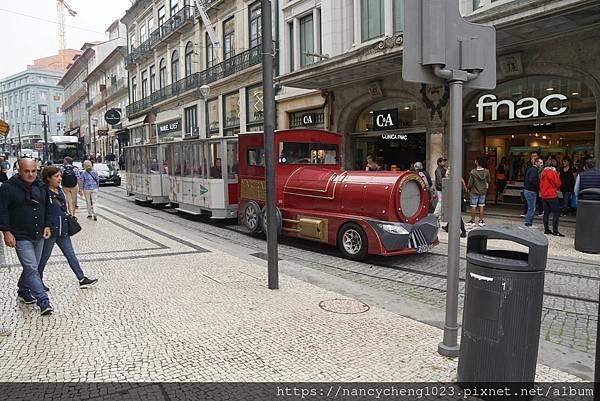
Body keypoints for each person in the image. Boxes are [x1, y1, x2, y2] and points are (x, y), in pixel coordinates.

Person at [0, 158, 54, 315]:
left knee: (33, 266)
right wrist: (6, 232)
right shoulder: (8, 188)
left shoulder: (41, 186)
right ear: (19, 170)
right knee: (31, 268)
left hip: (38, 233)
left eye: (34, 171)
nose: (31, 174)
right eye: (26, 171)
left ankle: (23, 290)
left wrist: (47, 225)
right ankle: (43, 301)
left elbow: (47, 208)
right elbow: (2, 211)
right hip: (21, 235)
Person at [38, 166, 98, 290]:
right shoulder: (43, 192)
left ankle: (82, 279)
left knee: (71, 255)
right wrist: (46, 226)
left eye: (60, 176)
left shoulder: (59, 191)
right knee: (44, 258)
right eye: (57, 176)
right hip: (51, 231)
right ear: (48, 178)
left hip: (63, 230)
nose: (60, 179)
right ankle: (37, 281)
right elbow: (43, 212)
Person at [441, 167, 467, 238]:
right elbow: (464, 188)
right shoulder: (459, 178)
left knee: (457, 215)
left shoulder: (454, 180)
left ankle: (463, 231)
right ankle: (448, 227)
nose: (447, 173)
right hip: (458, 198)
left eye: (448, 172)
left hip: (456, 199)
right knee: (453, 213)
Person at [540, 159, 564, 237]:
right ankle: (555, 231)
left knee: (546, 213)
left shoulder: (543, 172)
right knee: (556, 213)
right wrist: (556, 173)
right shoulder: (552, 172)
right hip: (551, 194)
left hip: (544, 195)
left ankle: (546, 229)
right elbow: (558, 183)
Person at [467, 156, 490, 227]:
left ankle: (473, 221)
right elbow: (489, 181)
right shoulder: (487, 171)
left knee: (473, 206)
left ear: (477, 162)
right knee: (481, 205)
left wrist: (468, 188)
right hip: (483, 191)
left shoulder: (473, 172)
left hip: (474, 191)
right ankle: (481, 221)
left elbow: (470, 183)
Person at [523, 157, 543, 227]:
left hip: (528, 190)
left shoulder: (531, 169)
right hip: (530, 191)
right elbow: (532, 180)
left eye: (542, 163)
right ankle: (528, 223)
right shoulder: (534, 170)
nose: (541, 164)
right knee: (531, 208)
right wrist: (539, 182)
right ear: (536, 163)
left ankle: (528, 223)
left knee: (531, 208)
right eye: (540, 163)